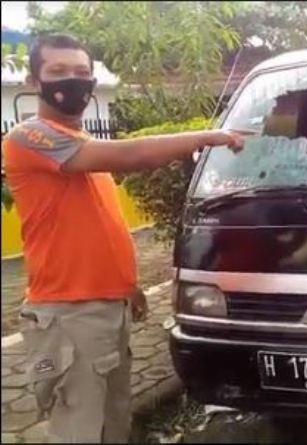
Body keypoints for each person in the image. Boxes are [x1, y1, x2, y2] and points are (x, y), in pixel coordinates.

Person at [2, 34, 245, 443]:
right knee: (80, 431)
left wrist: (127, 286)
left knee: (113, 425)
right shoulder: (29, 138)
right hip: (68, 315)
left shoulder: (83, 146)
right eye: (58, 71)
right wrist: (207, 137)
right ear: (33, 81)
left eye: (81, 72)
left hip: (106, 308)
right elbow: (132, 155)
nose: (73, 80)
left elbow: (99, 226)